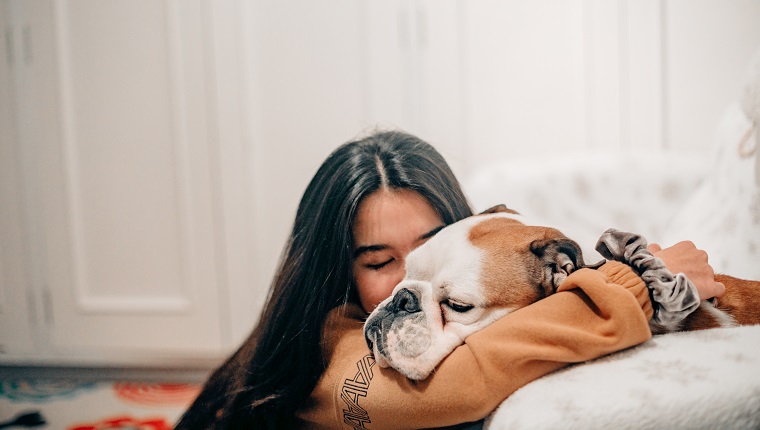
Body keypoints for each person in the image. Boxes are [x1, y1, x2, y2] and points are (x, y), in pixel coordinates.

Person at [175, 130, 724, 429]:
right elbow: (462, 383)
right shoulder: (319, 347)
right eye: (378, 262)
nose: (408, 285)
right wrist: (639, 285)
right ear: (335, 270)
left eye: (433, 248)